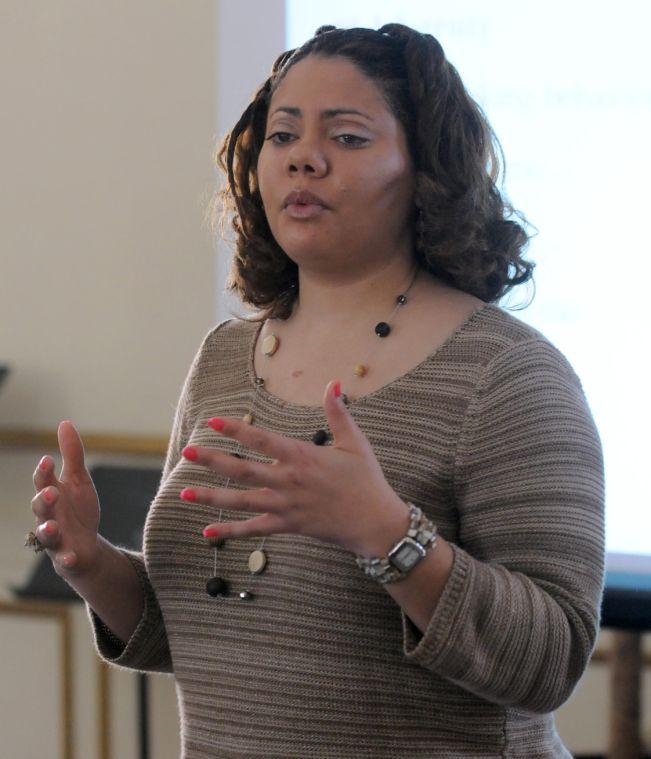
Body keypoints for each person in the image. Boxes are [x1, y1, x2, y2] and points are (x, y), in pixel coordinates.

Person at [28, 23, 605, 758]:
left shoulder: (507, 373)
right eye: (281, 135)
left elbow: (551, 659)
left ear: (424, 170)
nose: (303, 157)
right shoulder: (225, 356)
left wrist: (387, 535)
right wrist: (91, 562)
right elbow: (209, 635)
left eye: (349, 137)